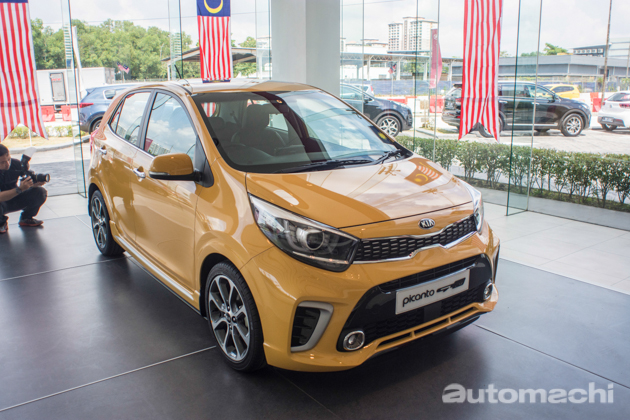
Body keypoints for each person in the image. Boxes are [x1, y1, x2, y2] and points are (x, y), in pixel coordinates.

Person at [0, 144, 48, 234]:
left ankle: (26, 218)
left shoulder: (16, 164)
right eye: (2, 162)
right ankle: (1, 223)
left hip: (14, 197)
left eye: (8, 159)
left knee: (40, 192)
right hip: (2, 201)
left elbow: (24, 179)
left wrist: (32, 184)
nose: (7, 164)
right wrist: (19, 189)